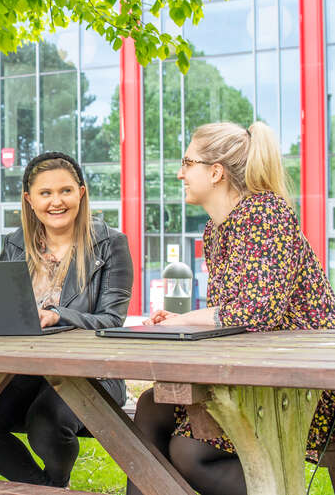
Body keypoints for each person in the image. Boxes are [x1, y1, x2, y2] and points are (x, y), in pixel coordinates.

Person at [127, 122, 335, 495]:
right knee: (151, 406)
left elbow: (255, 314)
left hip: (304, 383)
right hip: (259, 375)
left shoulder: (265, 215)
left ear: (216, 172)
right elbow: (230, 317)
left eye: (187, 162)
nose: (180, 173)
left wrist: (187, 318)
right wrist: (197, 397)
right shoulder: (218, 230)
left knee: (191, 451)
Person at [0, 152, 133, 488]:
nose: (57, 201)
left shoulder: (109, 243)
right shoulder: (16, 244)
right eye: (45, 193)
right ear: (29, 200)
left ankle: (54, 484)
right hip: (26, 369)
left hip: (93, 371)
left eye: (66, 191)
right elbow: (2, 310)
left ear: (81, 193)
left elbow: (112, 320)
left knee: (45, 423)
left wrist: (58, 316)